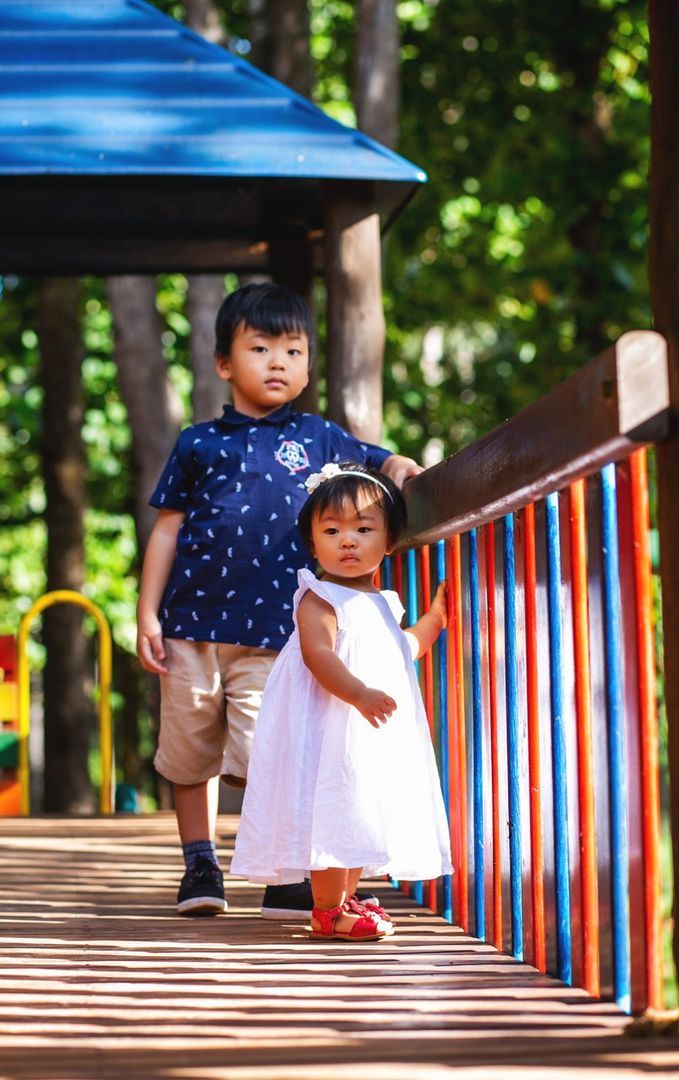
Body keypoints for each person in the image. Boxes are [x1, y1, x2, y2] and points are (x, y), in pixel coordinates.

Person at [136, 283, 422, 917]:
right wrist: (146, 612)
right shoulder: (199, 443)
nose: (278, 362)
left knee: (268, 750)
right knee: (189, 751)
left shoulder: (319, 437)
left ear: (308, 366)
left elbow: (378, 464)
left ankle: (287, 872)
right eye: (260, 348)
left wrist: (402, 465)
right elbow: (167, 531)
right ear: (223, 362)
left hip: (273, 631)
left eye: (294, 351)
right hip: (191, 624)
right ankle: (199, 863)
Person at [231, 463, 453, 940]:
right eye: (332, 531)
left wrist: (434, 621)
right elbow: (318, 655)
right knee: (333, 808)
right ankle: (327, 910)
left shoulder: (382, 602)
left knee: (355, 808)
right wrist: (358, 693)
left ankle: (346, 899)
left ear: (389, 541)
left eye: (363, 529)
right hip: (330, 724)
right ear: (313, 545)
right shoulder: (320, 597)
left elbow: (401, 649)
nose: (347, 541)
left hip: (361, 732)